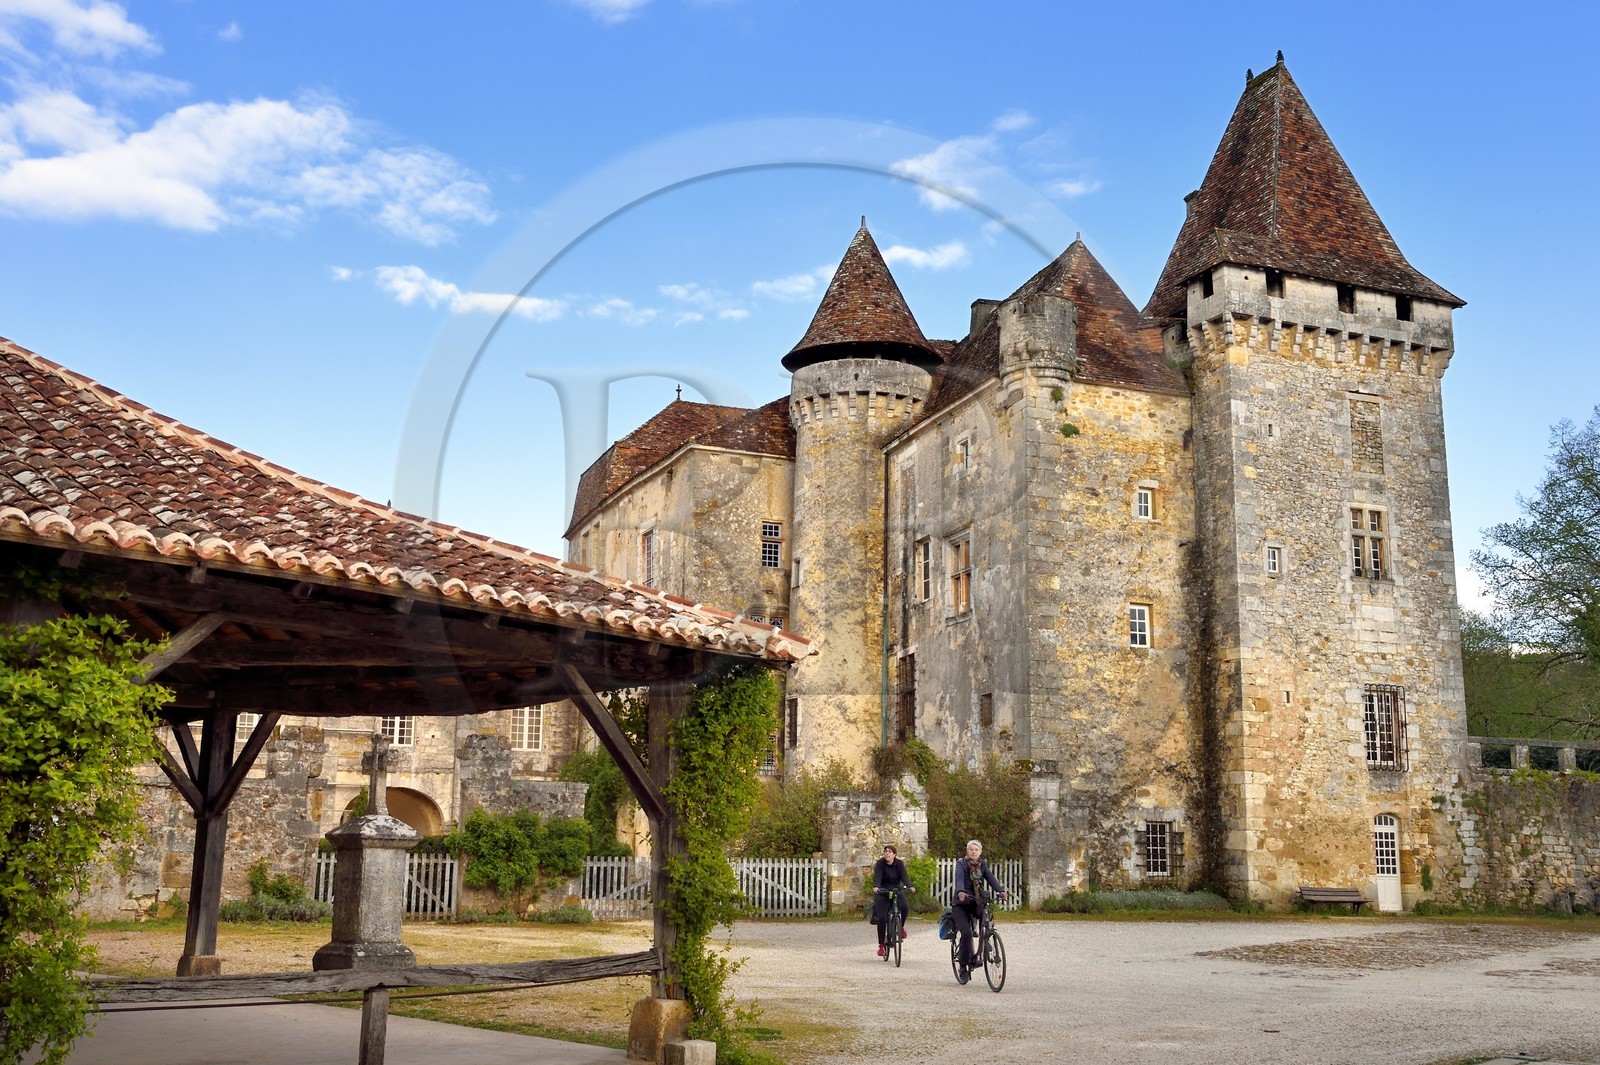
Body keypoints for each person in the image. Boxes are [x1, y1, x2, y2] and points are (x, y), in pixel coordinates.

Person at [951, 838, 1006, 981]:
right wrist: (961, 891)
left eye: (976, 849)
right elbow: (959, 879)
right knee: (967, 933)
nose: (974, 852)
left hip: (976, 900)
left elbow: (990, 878)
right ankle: (963, 967)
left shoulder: (982, 864)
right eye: (971, 849)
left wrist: (1000, 891)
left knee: (985, 916)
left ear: (980, 852)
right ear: (967, 851)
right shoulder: (961, 864)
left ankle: (986, 938)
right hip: (961, 903)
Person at [870, 844, 914, 956]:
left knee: (905, 907)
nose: (887, 853)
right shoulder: (880, 864)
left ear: (894, 854)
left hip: (896, 891)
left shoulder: (899, 864)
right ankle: (881, 946)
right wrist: (876, 887)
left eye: (890, 851)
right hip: (882, 892)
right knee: (882, 918)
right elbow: (877, 876)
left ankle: (901, 927)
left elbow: (904, 876)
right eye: (886, 851)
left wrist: (909, 886)